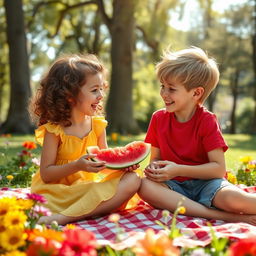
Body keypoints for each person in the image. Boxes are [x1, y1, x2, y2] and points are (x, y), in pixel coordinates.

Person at [138, 46, 256, 225]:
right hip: (173, 186)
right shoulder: (158, 118)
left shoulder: (207, 121)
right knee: (144, 186)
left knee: (233, 200)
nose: (163, 93)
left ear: (196, 93)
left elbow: (218, 169)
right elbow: (155, 159)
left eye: (171, 88)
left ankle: (220, 210)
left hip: (208, 185)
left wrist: (178, 169)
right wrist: (155, 170)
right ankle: (224, 217)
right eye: (163, 86)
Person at [30, 54, 141, 225]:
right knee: (99, 194)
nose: (101, 95)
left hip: (86, 189)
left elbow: (105, 166)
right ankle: (68, 216)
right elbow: (46, 174)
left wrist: (124, 167)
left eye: (102, 88)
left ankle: (75, 214)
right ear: (70, 96)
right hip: (57, 193)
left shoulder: (97, 125)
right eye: (94, 90)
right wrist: (77, 165)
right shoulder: (55, 130)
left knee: (134, 179)